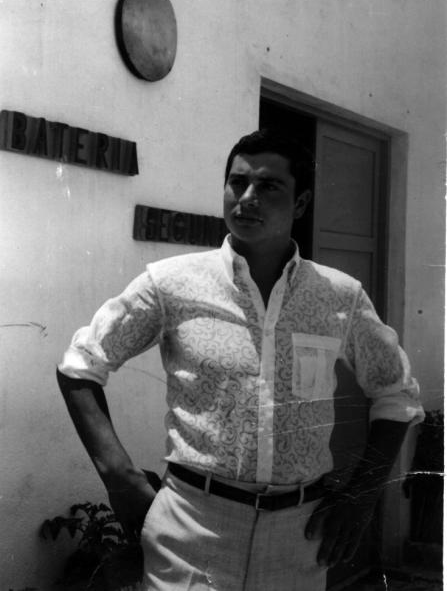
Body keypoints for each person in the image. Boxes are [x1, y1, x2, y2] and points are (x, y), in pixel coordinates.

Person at [57, 128, 424, 591]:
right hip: (192, 527)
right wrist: (119, 477)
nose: (247, 197)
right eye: (238, 182)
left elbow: (396, 395)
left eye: (268, 186)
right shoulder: (172, 283)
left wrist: (362, 496)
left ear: (301, 204)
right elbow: (80, 365)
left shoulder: (338, 296)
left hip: (299, 537)